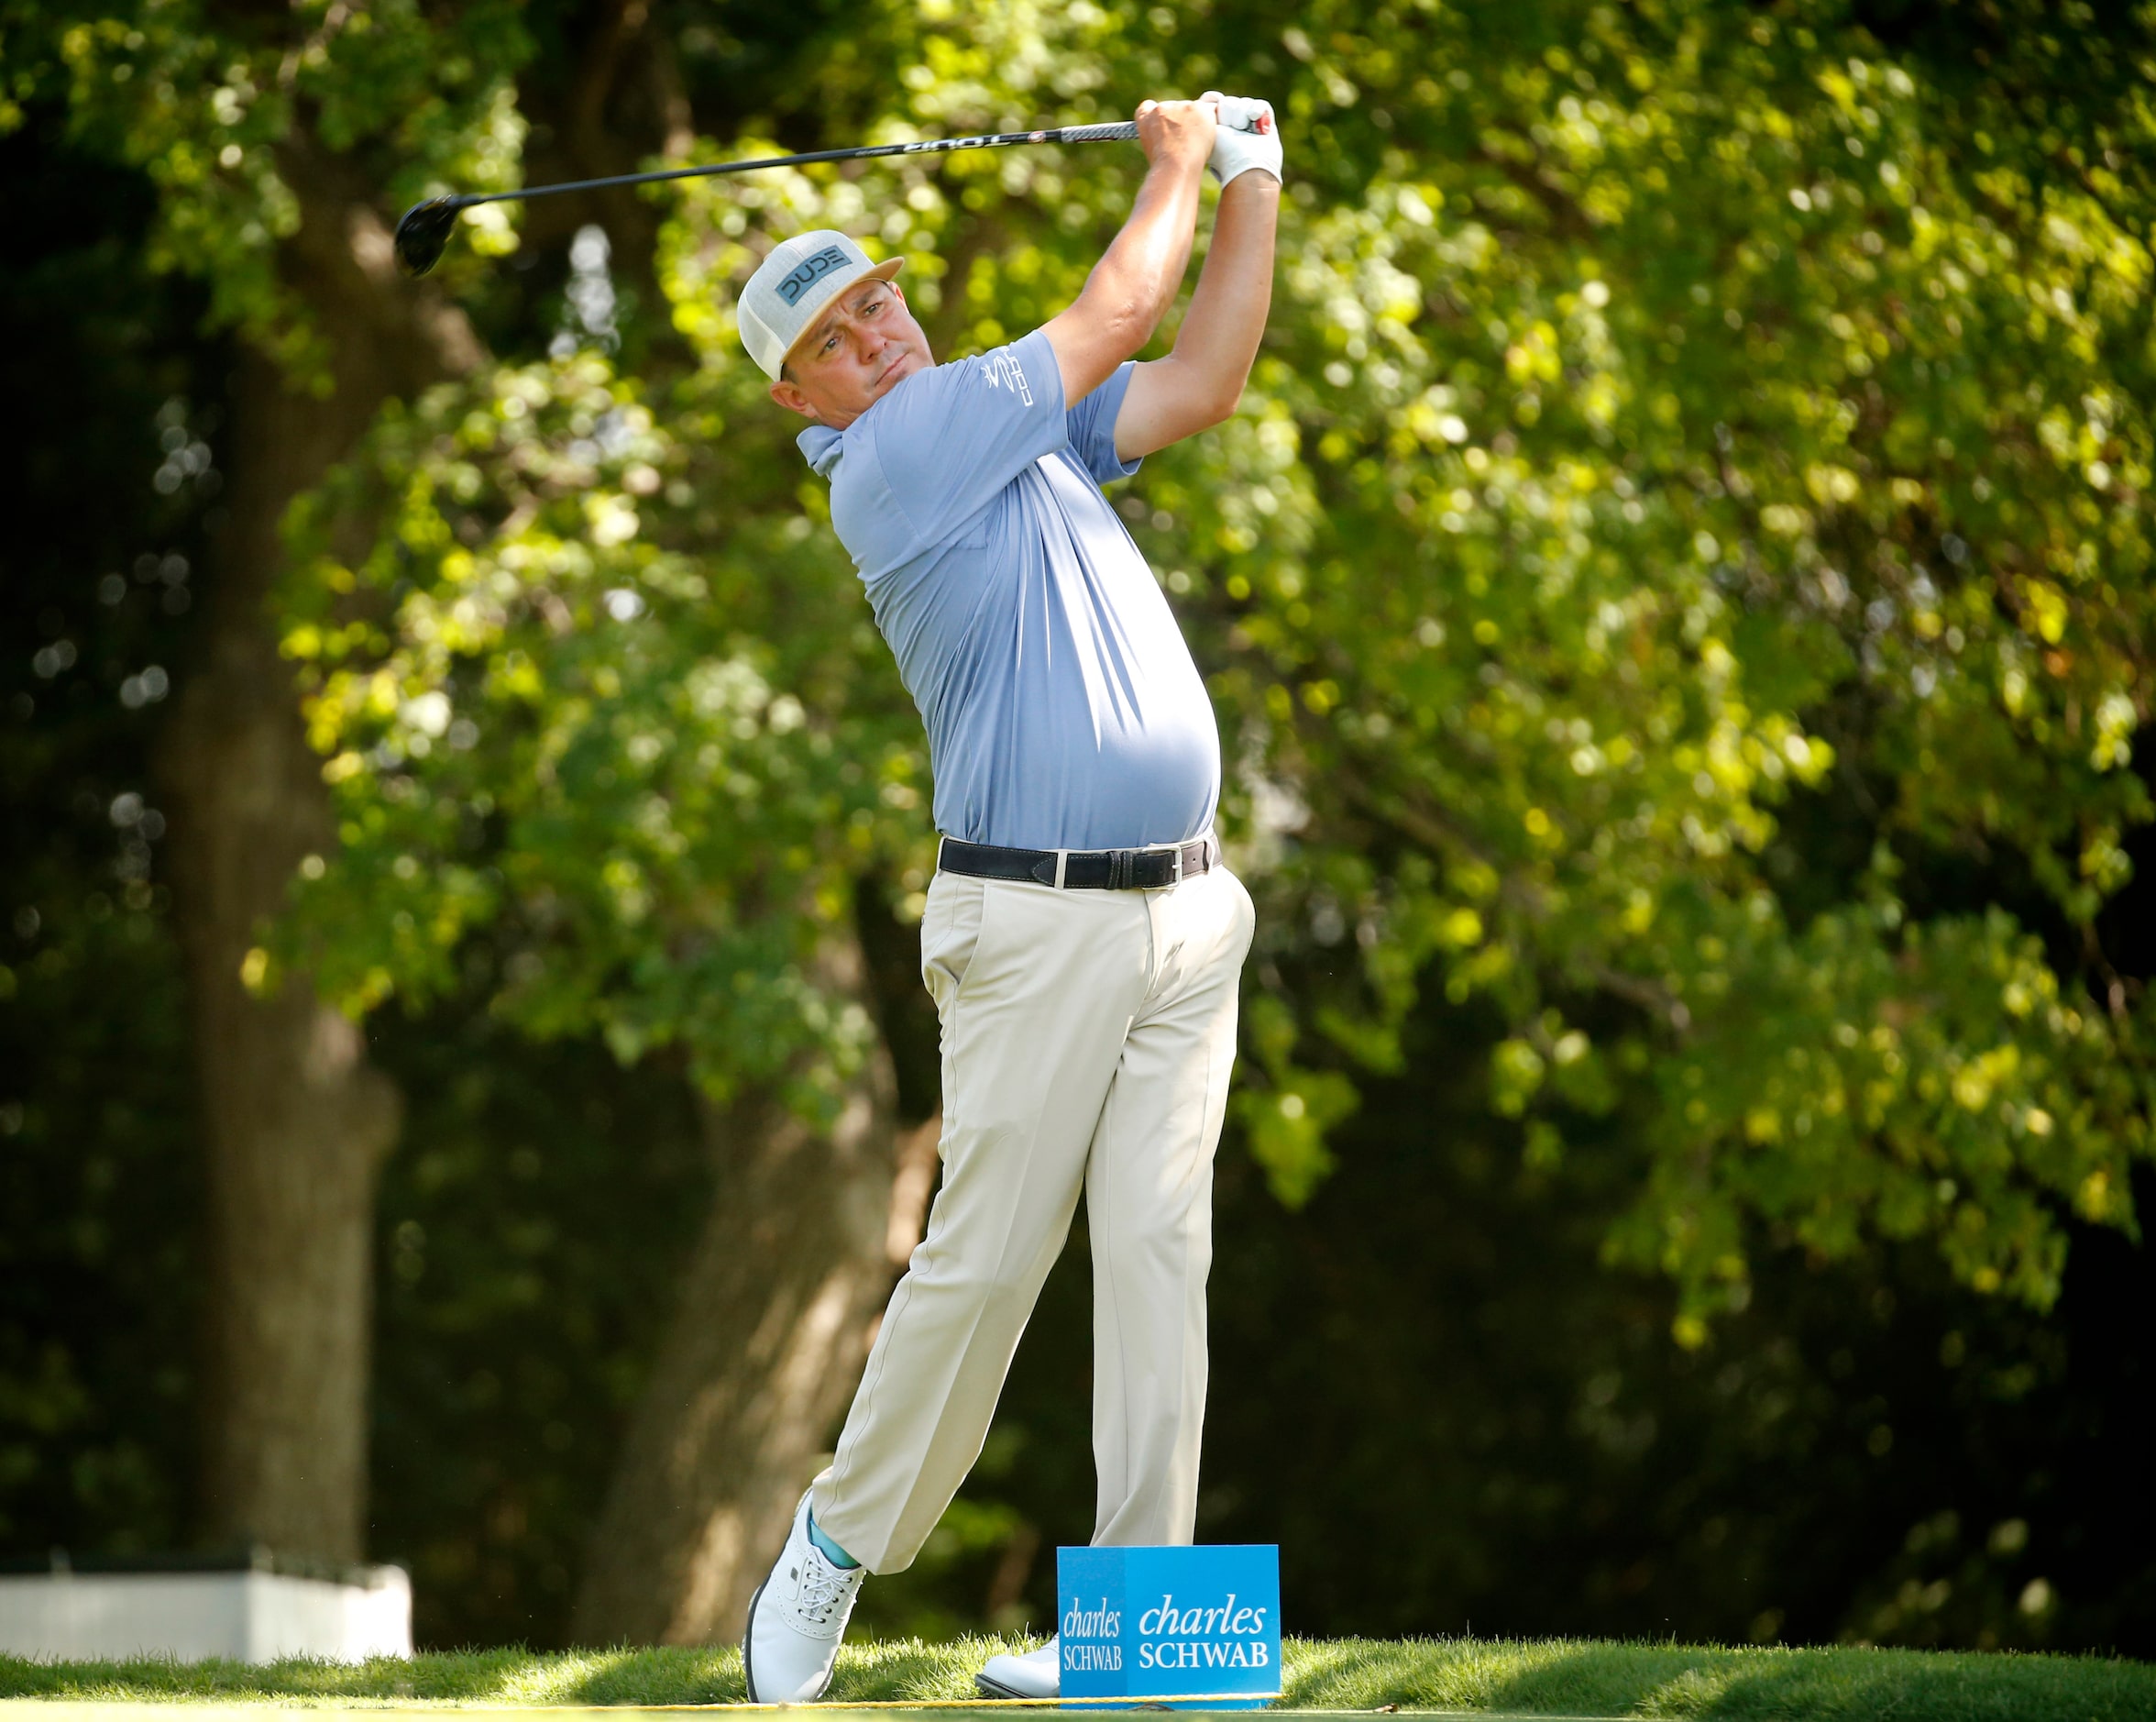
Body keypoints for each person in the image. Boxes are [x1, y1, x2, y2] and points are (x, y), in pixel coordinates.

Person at [733, 92, 1282, 1705]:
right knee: (985, 1261)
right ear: (801, 397)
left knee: (1158, 1253)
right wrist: (1173, 160)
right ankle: (834, 1547)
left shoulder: (1013, 431)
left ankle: (1142, 1639)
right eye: (837, 336)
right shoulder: (900, 455)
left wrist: (1247, 180)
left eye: (882, 298)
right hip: (1033, 923)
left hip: (1184, 915)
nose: (879, 334)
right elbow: (1121, 309)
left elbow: (1200, 374)